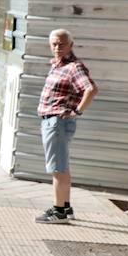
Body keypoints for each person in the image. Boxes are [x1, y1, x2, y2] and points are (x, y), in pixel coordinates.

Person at [36, 29, 97, 224]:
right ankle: (65, 205)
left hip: (57, 122)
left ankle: (59, 211)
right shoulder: (57, 65)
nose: (57, 47)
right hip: (53, 122)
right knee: (62, 165)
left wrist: (77, 111)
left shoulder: (73, 67)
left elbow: (91, 89)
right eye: (54, 44)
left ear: (71, 45)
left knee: (58, 168)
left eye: (62, 44)